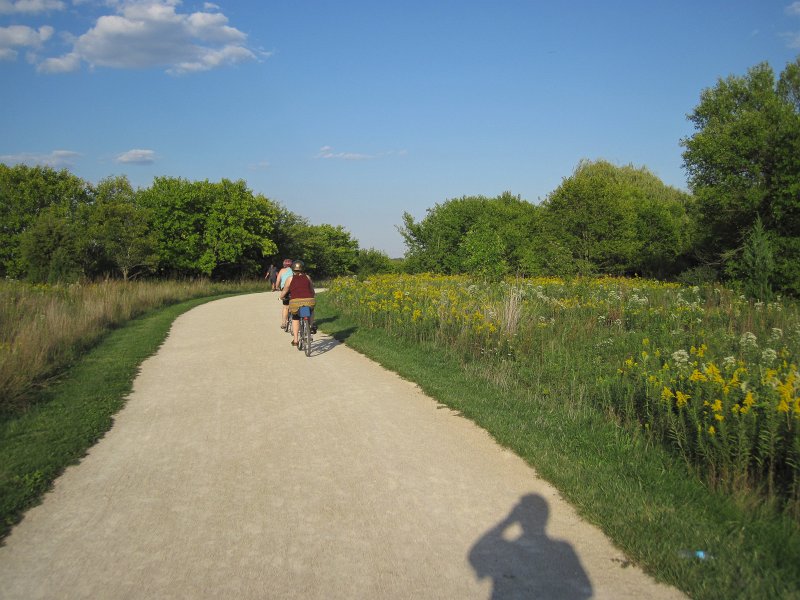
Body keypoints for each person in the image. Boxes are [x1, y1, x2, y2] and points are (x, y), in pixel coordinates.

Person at [279, 259, 316, 346]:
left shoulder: (290, 279)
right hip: (309, 301)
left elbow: (285, 291)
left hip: (296, 302)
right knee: (311, 310)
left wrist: (281, 297)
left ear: (292, 269)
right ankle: (311, 326)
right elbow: (312, 290)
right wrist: (313, 295)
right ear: (302, 269)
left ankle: (295, 340)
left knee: (296, 317)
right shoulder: (307, 277)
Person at [276, 258, 294, 327]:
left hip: (285, 288)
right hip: (293, 288)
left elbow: (278, 280)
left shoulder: (282, 270)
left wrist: (277, 287)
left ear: (284, 264)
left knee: (286, 306)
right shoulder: (294, 270)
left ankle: (284, 323)